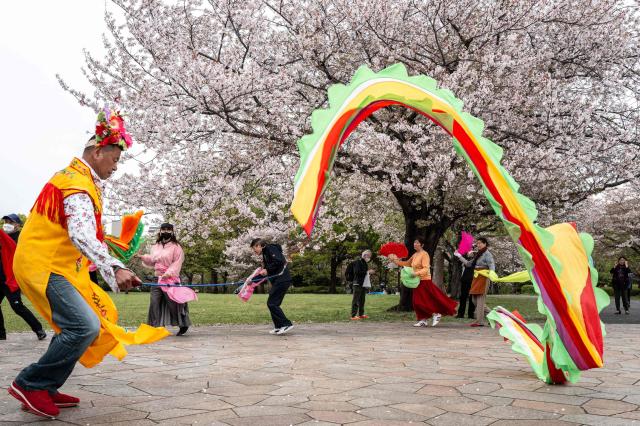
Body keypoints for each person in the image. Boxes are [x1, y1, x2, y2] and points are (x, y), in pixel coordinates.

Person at [7, 109, 169, 419]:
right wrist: (115, 267)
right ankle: (31, 383)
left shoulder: (78, 180)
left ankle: (47, 385)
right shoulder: (76, 184)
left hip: (54, 266)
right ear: (97, 152)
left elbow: (81, 235)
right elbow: (81, 235)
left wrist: (114, 264)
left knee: (81, 325)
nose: (116, 167)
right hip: (44, 266)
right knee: (84, 325)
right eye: (114, 160)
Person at [389, 237, 457, 327]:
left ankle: (436, 313)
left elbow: (426, 268)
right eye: (414, 242)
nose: (415, 244)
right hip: (416, 281)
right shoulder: (415, 254)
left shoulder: (424, 254)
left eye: (417, 243)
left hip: (424, 280)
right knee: (416, 302)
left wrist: (416, 273)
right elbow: (407, 264)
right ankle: (423, 320)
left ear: (422, 245)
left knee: (421, 301)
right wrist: (395, 260)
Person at [140, 223, 194, 335]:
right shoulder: (156, 246)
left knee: (173, 303)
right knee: (154, 302)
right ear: (160, 230)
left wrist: (168, 273)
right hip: (157, 279)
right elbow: (153, 260)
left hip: (170, 280)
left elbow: (177, 262)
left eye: (168, 229)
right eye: (164, 229)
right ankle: (154, 328)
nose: (166, 231)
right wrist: (143, 257)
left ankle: (182, 324)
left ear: (172, 231)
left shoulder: (176, 247)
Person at [0, 216, 46, 341]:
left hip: (12, 280)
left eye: (10, 222)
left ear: (18, 225)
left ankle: (38, 329)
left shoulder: (22, 238)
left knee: (17, 307)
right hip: (1, 277)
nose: (7, 224)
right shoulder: (2, 238)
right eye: (5, 222)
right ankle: (1, 334)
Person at [251, 238, 293, 335]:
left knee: (272, 303)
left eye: (254, 248)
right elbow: (265, 272)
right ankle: (278, 326)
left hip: (282, 279)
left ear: (258, 245)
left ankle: (286, 324)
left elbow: (278, 261)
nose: (254, 251)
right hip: (279, 281)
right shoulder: (266, 253)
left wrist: (267, 269)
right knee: (273, 303)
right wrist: (251, 281)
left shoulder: (271, 249)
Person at [456, 237, 495, 327]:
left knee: (480, 300)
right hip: (476, 277)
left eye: (480, 243)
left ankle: (479, 321)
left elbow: (492, 265)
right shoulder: (478, 254)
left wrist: (492, 274)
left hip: (484, 277)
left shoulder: (487, 254)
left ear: (485, 244)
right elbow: (469, 264)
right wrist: (459, 256)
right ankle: (494, 316)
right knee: (474, 300)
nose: (478, 245)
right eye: (477, 243)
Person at [351, 250, 374, 320]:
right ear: (365, 255)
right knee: (356, 299)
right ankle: (353, 315)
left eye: (370, 256)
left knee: (362, 299)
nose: (369, 258)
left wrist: (368, 272)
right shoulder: (358, 262)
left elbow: (364, 273)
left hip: (363, 283)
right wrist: (368, 272)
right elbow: (357, 272)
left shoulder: (365, 263)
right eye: (369, 256)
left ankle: (361, 314)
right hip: (357, 283)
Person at [454, 250, 476, 319]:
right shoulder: (466, 259)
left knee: (471, 298)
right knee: (463, 297)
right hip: (465, 280)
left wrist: (459, 255)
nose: (469, 253)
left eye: (471, 252)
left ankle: (471, 314)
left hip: (472, 279)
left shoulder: (476, 258)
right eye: (469, 252)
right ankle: (461, 314)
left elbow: (468, 264)